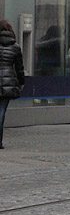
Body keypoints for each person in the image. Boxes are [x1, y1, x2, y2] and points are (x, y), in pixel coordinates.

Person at [0, 19, 25, 149]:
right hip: (8, 81)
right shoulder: (15, 47)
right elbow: (19, 68)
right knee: (2, 110)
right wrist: (21, 82)